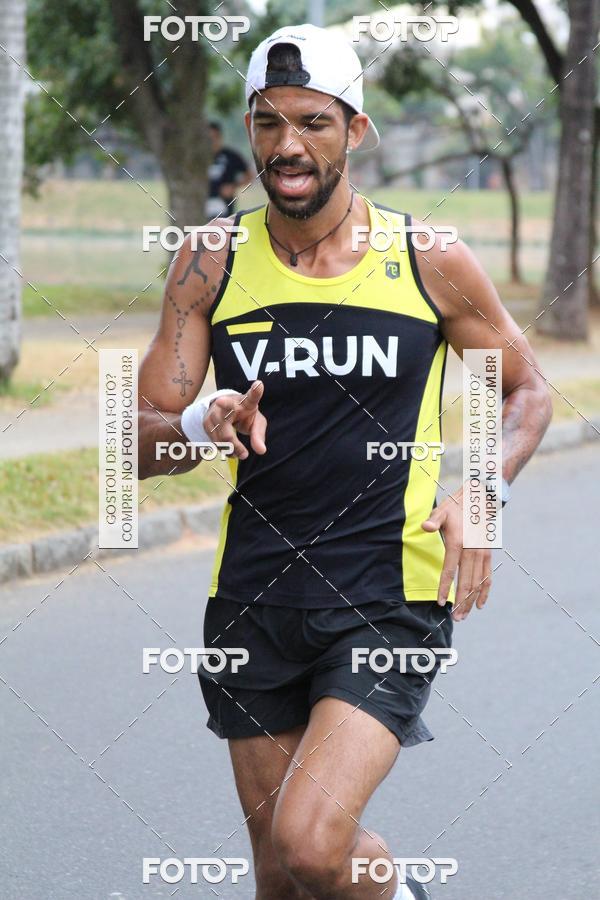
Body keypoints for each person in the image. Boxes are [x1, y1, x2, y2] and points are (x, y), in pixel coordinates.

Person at [138, 23, 552, 900]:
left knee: (315, 844)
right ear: (251, 125)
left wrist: (482, 485)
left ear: (355, 129)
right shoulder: (208, 263)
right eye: (270, 122)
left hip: (384, 593)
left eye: (314, 123)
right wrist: (205, 429)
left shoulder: (426, 259)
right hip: (253, 594)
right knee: (282, 878)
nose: (289, 147)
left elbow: (523, 390)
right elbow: (129, 440)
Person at [206, 120, 253, 219]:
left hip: (224, 206)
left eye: (215, 137)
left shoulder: (231, 156)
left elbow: (249, 175)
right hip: (203, 203)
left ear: (220, 137)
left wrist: (233, 186)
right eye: (208, 139)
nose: (212, 142)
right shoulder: (199, 158)